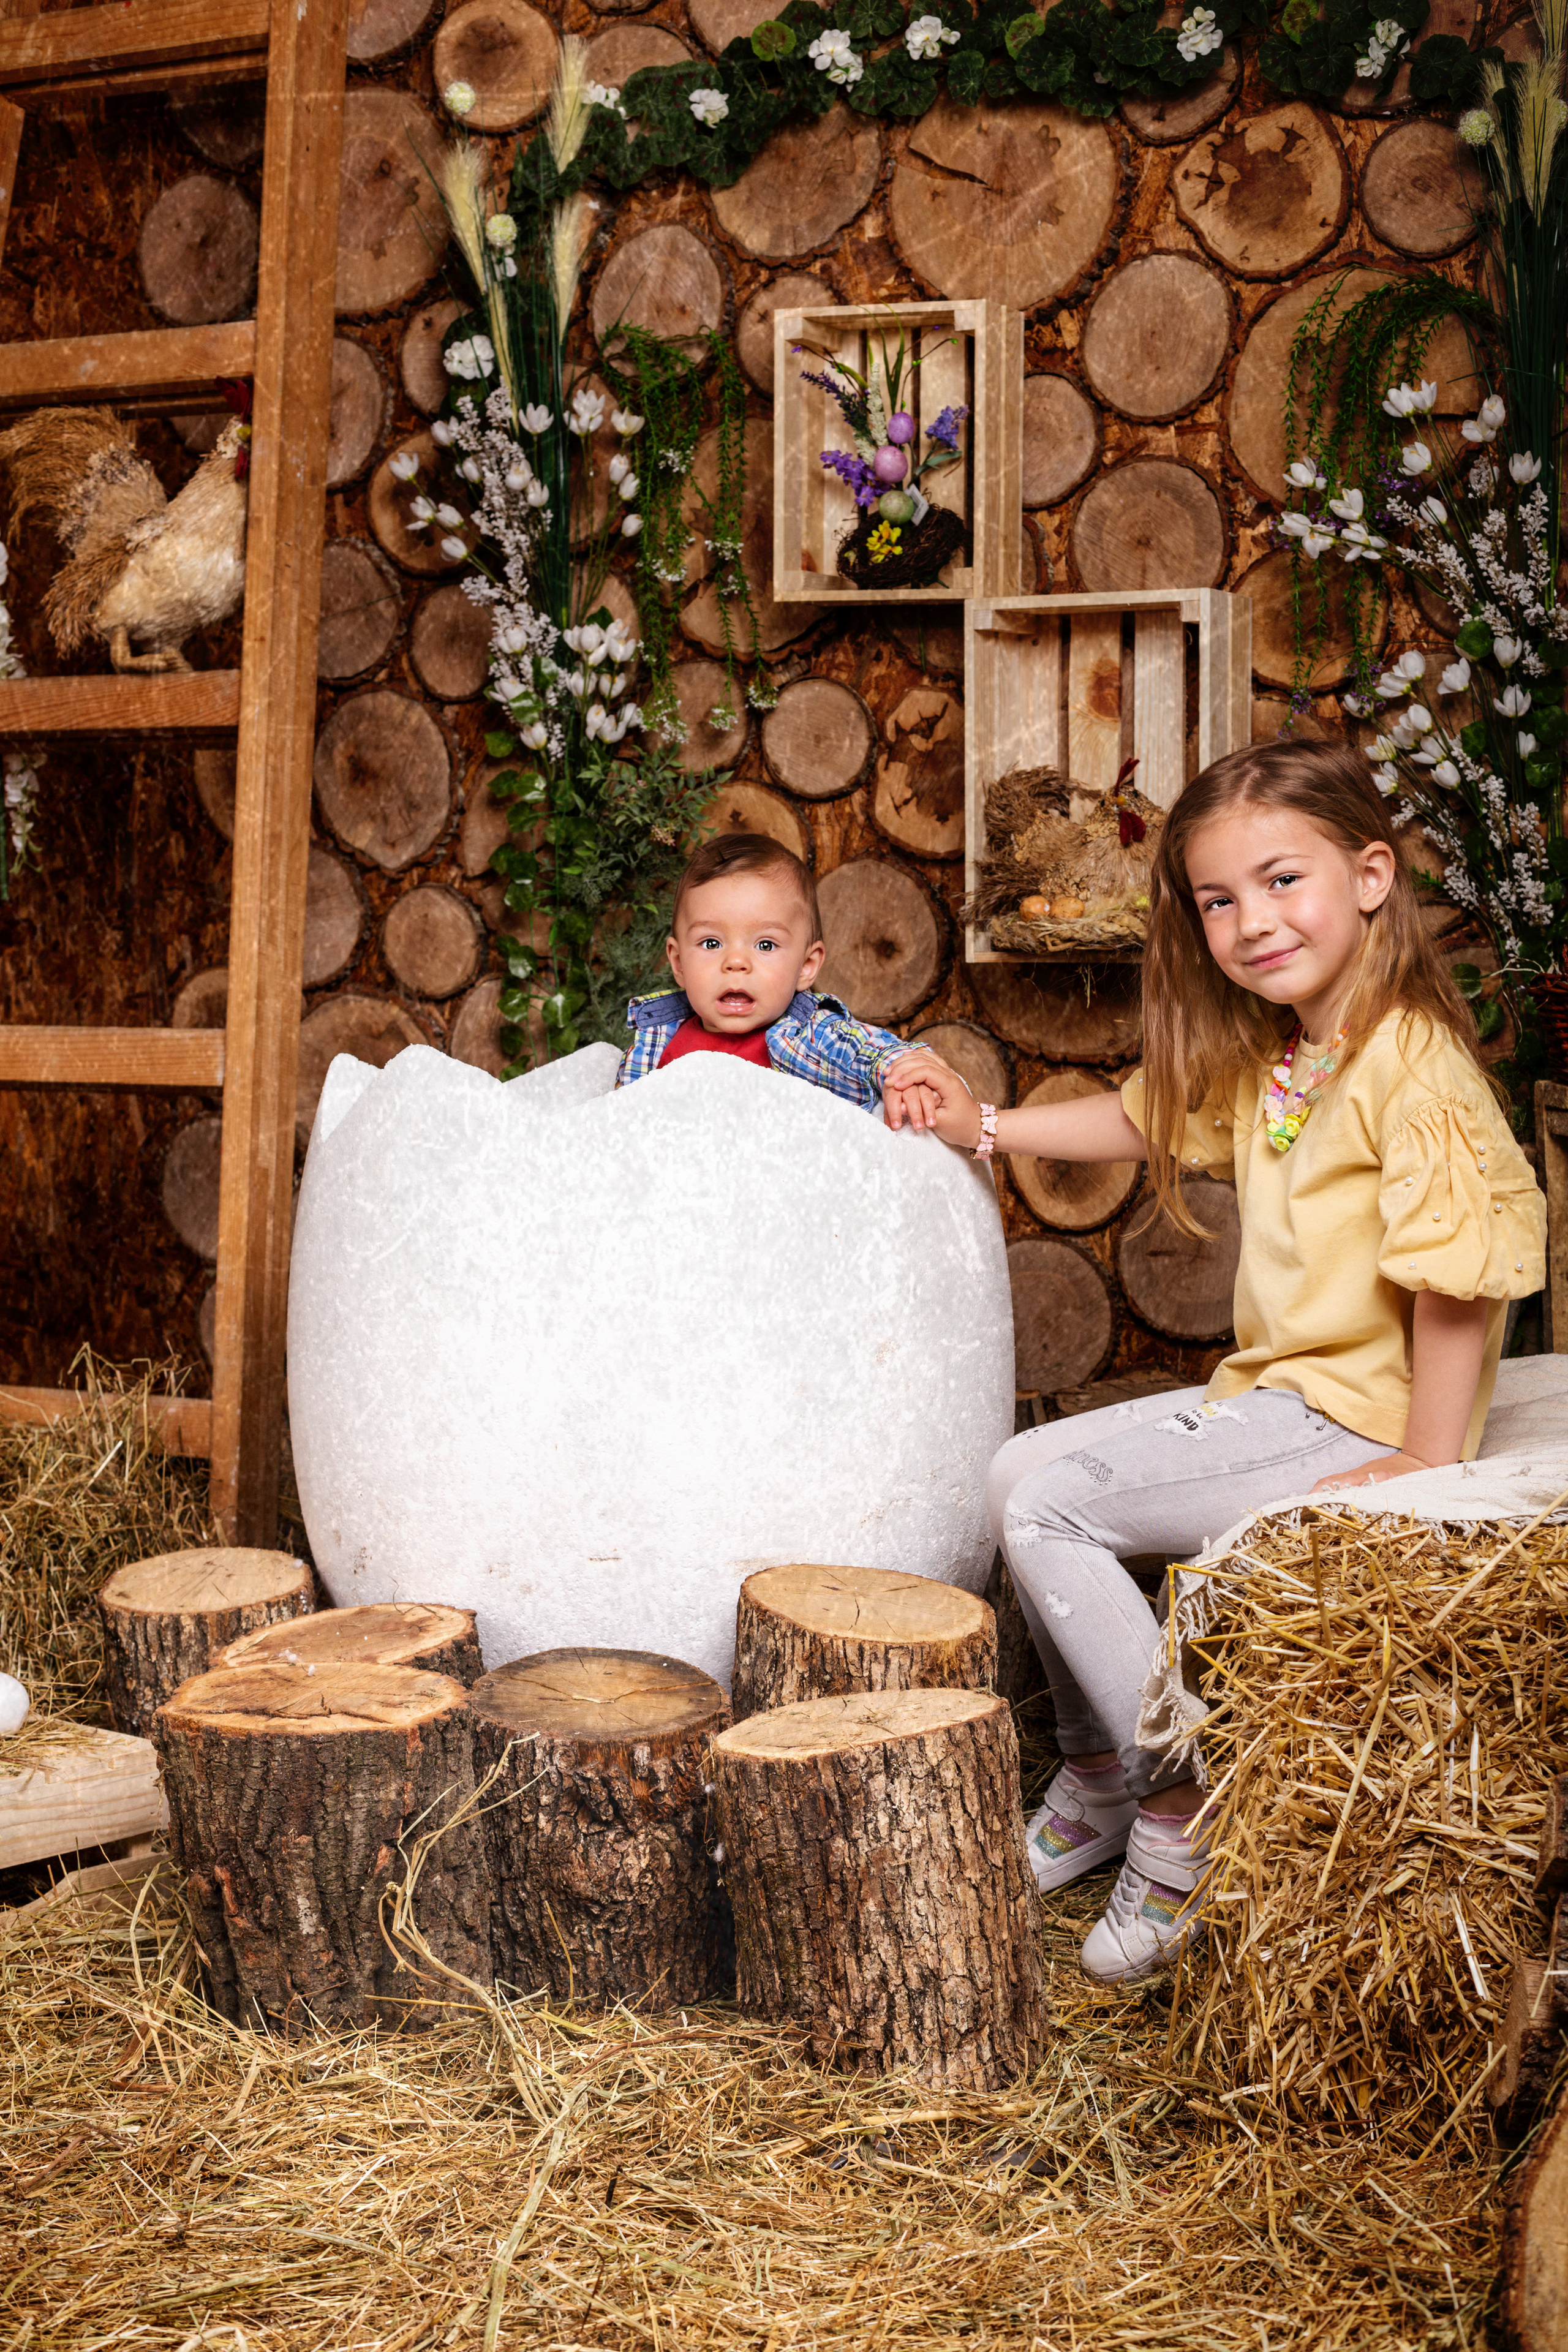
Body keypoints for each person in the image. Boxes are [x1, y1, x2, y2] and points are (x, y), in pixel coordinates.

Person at [885, 740, 1546, 1986]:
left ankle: (1179, 1803)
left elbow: (1453, 1273)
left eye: (1280, 880)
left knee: (1054, 1506)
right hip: (1286, 1394)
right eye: (1218, 900)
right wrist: (982, 1122)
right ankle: (1093, 1776)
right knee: (1012, 1470)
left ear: (1367, 876)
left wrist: (1417, 1458)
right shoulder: (1281, 1049)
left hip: (1358, 1414)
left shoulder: (1412, 1065)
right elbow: (1143, 1116)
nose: (1251, 922)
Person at [617, 831, 949, 1117]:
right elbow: (617, 1122)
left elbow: (874, 1052)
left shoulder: (815, 1035)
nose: (735, 962)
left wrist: (906, 1080)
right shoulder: (657, 1041)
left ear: (806, 967)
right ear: (678, 964)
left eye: (765, 945)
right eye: (711, 942)